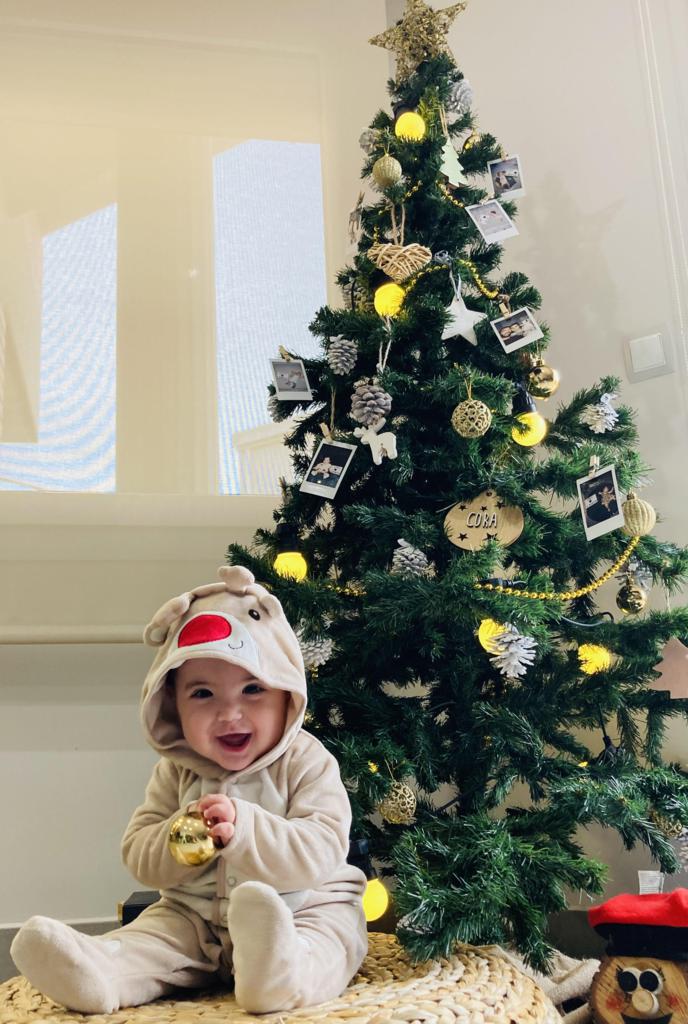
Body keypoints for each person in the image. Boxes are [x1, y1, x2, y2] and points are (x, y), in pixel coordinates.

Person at [11, 566, 368, 1015]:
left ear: (286, 694)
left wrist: (245, 829)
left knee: (331, 941)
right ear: (172, 706)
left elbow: (323, 849)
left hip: (303, 910)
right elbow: (139, 854)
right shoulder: (176, 772)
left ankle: (280, 973)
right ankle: (100, 971)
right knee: (151, 937)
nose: (230, 714)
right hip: (195, 919)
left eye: (252, 689)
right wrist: (183, 836)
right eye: (202, 694)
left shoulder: (306, 761)